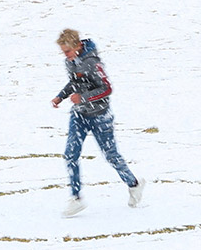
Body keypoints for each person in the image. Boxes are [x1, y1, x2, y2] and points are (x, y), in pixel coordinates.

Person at [51, 28, 143, 217]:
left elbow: (107, 88)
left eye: (67, 51)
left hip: (100, 117)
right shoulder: (70, 62)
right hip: (79, 116)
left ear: (77, 46)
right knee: (70, 154)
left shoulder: (92, 63)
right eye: (63, 52)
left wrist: (83, 98)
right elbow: (75, 83)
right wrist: (61, 96)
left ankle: (134, 184)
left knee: (111, 156)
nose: (65, 56)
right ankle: (76, 198)